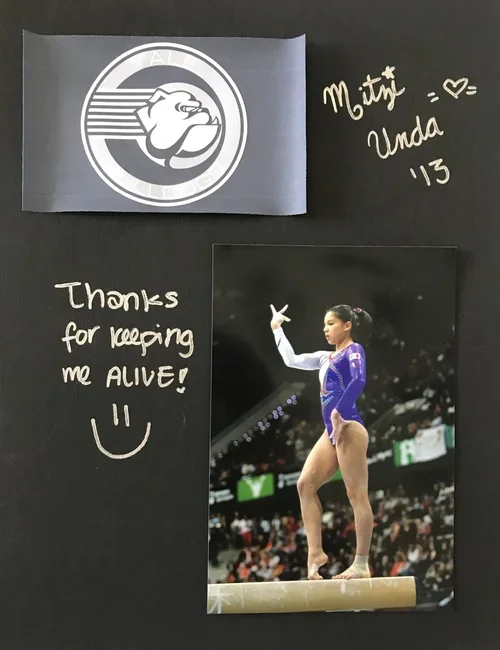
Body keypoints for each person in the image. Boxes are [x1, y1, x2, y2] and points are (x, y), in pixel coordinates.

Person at [270, 303, 374, 580]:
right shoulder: (324, 357)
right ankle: (315, 553)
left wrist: (339, 411)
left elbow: (358, 380)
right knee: (305, 485)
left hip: (348, 426)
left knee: (356, 494)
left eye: (330, 323)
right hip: (331, 431)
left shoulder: (354, 350)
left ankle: (361, 563)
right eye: (324, 324)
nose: (325, 329)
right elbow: (291, 360)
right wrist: (277, 328)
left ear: (347, 325)